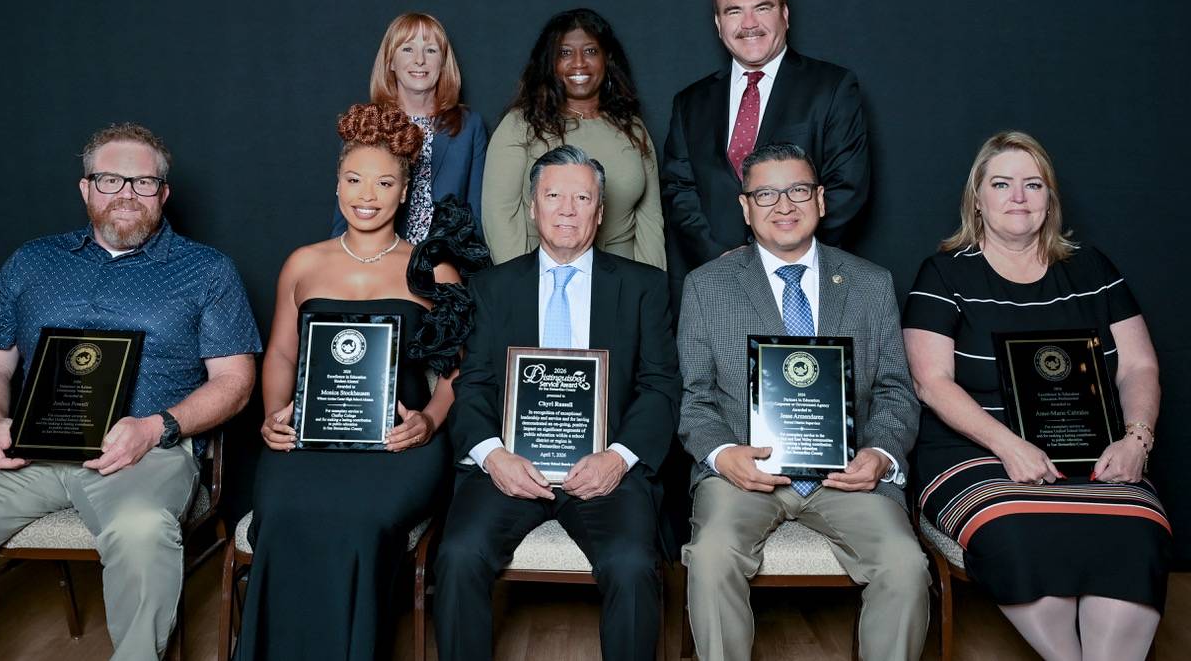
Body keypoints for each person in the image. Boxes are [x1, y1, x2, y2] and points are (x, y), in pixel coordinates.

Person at [0, 123, 261, 661]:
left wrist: (155, 427)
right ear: (85, 188)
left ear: (163, 194)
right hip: (30, 450)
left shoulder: (207, 271)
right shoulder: (31, 262)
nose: (126, 193)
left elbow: (235, 383)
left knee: (142, 531)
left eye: (143, 183)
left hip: (146, 450)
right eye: (109, 179)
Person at [903, 131, 1170, 661]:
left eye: (1033, 184)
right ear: (976, 197)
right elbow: (930, 382)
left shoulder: (1092, 270)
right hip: (976, 454)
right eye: (1001, 184)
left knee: (1138, 534)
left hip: (1094, 453)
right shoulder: (944, 274)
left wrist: (1138, 438)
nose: (1018, 197)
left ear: (1051, 198)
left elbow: (1140, 365)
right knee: (1021, 531)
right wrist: (1011, 447)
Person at [237, 103, 487, 660]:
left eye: (383, 182)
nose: (367, 194)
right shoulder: (303, 263)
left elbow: (460, 369)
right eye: (354, 179)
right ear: (337, 184)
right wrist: (274, 417)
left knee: (361, 518)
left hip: (397, 442)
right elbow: (281, 352)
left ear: (404, 193)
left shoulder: (432, 268)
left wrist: (428, 422)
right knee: (283, 513)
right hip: (308, 433)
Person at [678, 143, 928, 661]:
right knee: (709, 556)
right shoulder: (706, 287)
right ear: (745, 207)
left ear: (820, 201)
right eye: (766, 193)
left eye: (797, 190)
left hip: (846, 476)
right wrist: (724, 454)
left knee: (905, 564)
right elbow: (694, 398)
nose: (783, 205)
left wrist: (879, 456)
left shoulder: (870, 283)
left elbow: (895, 390)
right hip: (744, 476)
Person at [435, 145, 680, 661]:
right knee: (457, 555)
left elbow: (660, 386)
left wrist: (618, 458)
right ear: (532, 207)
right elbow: (473, 385)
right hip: (510, 466)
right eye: (553, 195)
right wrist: (493, 457)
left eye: (581, 197)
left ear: (600, 209)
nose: (567, 209)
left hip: (606, 470)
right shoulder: (492, 289)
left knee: (634, 564)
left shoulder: (643, 288)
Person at [661, 0, 869, 305]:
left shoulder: (831, 87)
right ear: (718, 23)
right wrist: (721, 261)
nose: (749, 24)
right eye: (734, 12)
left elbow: (846, 186)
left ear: (784, 15)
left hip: (802, 280)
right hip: (716, 282)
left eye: (762, 8)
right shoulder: (690, 101)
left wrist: (785, 256)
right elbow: (679, 189)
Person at [482, 8, 665, 268]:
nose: (579, 62)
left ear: (607, 59)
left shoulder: (633, 129)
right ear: (550, 63)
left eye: (590, 51)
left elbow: (650, 221)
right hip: (544, 276)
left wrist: (650, 289)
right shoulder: (520, 125)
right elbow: (499, 215)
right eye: (565, 53)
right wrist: (521, 286)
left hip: (621, 280)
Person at [330, 12, 487, 243]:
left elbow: (477, 215)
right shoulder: (368, 123)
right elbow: (346, 208)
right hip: (380, 261)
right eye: (407, 49)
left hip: (445, 263)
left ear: (443, 63)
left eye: (431, 50)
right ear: (390, 61)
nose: (419, 60)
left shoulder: (469, 125)